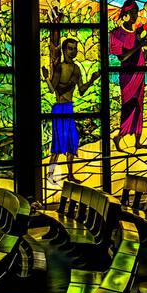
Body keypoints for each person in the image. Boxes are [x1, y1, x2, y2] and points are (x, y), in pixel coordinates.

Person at [42, 35, 97, 183]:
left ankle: (70, 175)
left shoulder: (77, 69)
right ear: (65, 50)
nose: (73, 52)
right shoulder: (60, 67)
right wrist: (47, 77)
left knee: (72, 140)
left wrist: (92, 80)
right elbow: (53, 89)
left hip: (69, 108)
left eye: (75, 49)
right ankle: (50, 175)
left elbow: (82, 90)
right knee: (58, 143)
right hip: (59, 109)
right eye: (70, 49)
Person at [109, 0, 147, 150]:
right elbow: (122, 57)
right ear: (126, 15)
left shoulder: (137, 33)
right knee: (129, 105)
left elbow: (145, 57)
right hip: (128, 76)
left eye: (137, 13)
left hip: (140, 73)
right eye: (133, 13)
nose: (135, 16)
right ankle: (119, 136)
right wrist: (140, 44)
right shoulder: (116, 34)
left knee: (139, 106)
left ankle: (137, 141)